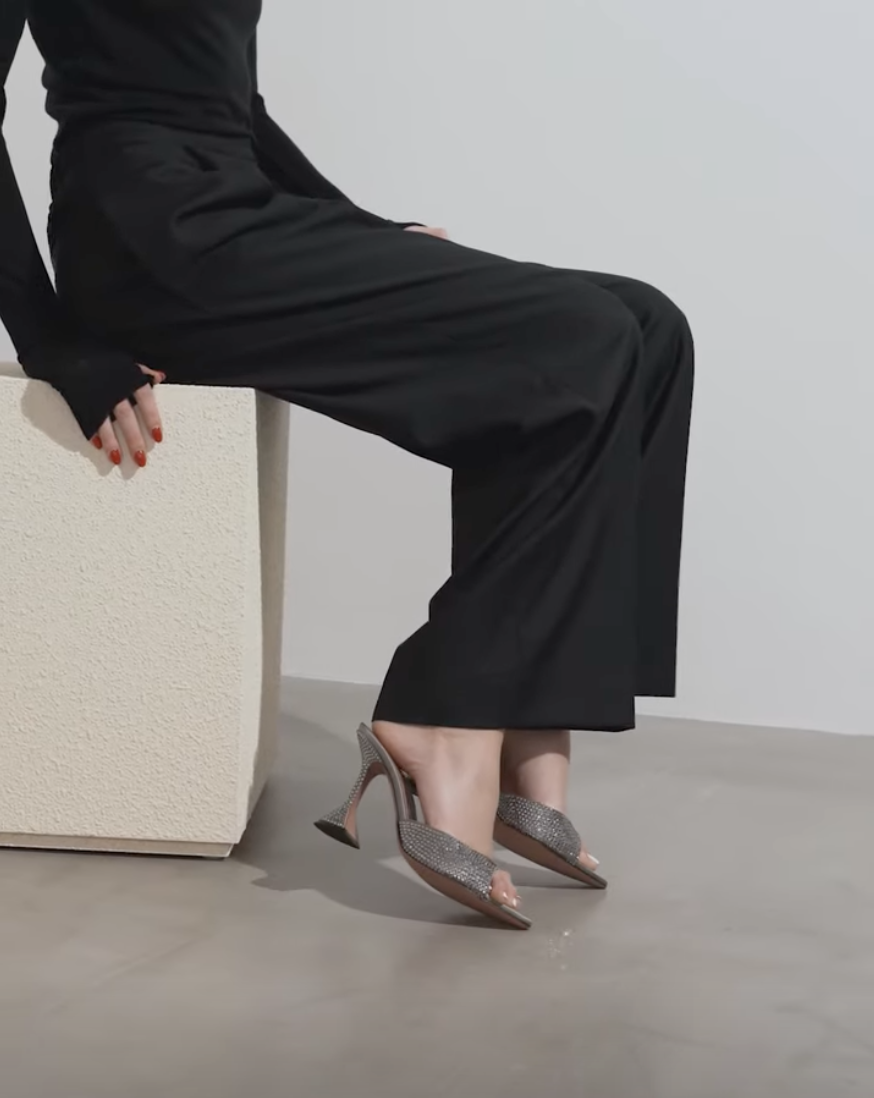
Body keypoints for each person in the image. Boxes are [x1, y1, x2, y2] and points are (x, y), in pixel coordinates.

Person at [0, 0, 694, 929]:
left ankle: (531, 703)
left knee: (649, 327)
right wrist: (53, 342)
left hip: (241, 204)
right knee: (584, 337)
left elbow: (232, 101)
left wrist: (356, 225)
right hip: (152, 239)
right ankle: (445, 711)